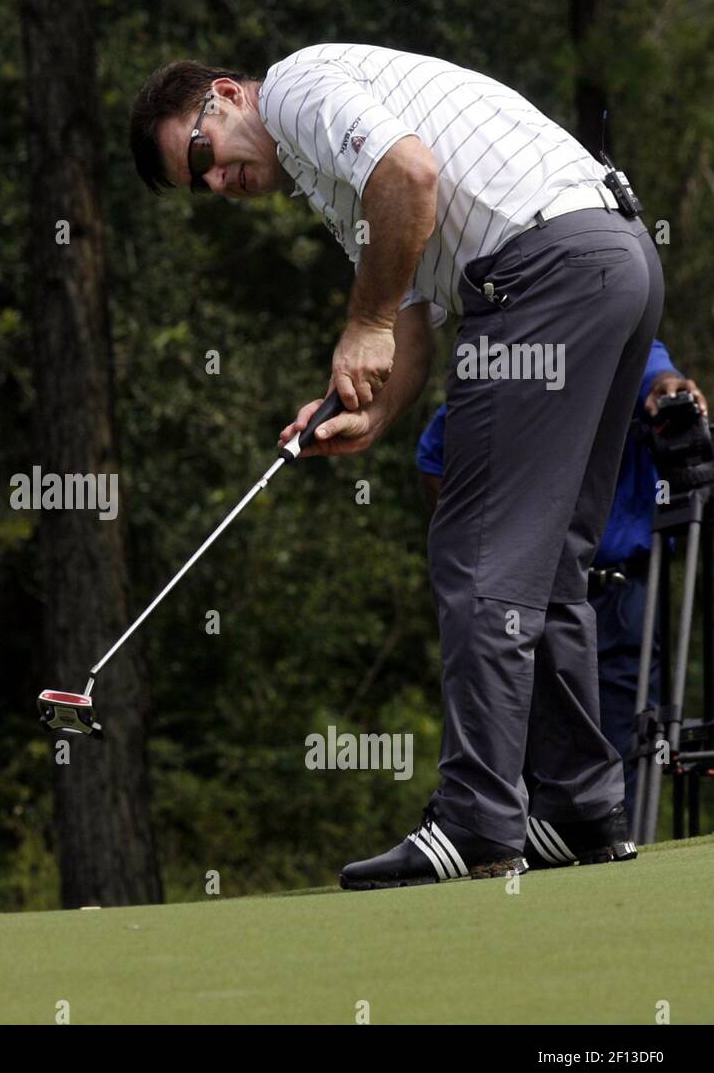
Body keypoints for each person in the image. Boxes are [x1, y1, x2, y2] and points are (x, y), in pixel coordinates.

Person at [128, 44, 665, 889]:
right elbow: (409, 312)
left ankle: (477, 822)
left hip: (545, 274)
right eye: (201, 188)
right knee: (547, 553)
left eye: (203, 156)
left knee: (478, 549)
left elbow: (410, 178)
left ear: (227, 96)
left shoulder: (299, 89)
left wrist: (364, 321)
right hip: (611, 262)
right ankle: (575, 807)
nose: (217, 184)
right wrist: (369, 410)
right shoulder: (328, 174)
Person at [416, 343, 706, 837]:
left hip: (621, 593)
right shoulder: (514, 364)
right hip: (533, 597)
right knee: (528, 758)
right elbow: (435, 455)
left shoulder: (625, 351)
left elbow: (656, 372)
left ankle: (617, 870)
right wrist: (492, 541)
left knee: (624, 755)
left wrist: (669, 389)